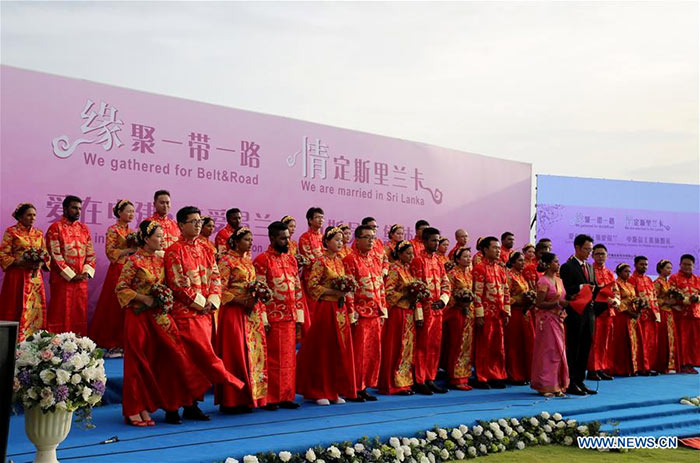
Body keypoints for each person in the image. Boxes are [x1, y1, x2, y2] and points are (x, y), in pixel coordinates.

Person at [116, 220, 210, 426]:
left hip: (158, 317)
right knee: (137, 362)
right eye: (158, 236)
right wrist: (143, 298)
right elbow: (121, 288)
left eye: (163, 236)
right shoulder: (134, 261)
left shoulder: (162, 260)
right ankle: (134, 409)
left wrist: (182, 282)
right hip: (138, 317)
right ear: (146, 238)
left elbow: (171, 282)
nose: (162, 239)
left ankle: (150, 405)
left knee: (157, 361)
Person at [164, 206, 243, 423]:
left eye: (200, 221)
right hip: (184, 315)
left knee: (198, 363)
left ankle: (192, 405)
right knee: (182, 363)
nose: (198, 224)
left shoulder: (208, 249)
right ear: (181, 225)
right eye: (193, 221)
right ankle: (173, 407)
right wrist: (201, 304)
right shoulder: (173, 251)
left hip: (206, 316)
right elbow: (178, 285)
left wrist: (213, 301)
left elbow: (216, 277)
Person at [296, 226, 357, 405]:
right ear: (326, 242)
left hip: (340, 309)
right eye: (336, 240)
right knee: (324, 349)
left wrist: (344, 294)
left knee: (339, 349)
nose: (340, 243)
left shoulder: (340, 261)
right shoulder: (320, 261)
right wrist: (333, 291)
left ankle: (334, 389)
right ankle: (319, 390)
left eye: (341, 240)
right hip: (326, 310)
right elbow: (312, 286)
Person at [216, 227, 270, 413]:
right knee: (234, 355)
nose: (250, 243)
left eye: (251, 239)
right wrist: (240, 300)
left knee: (252, 355)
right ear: (236, 242)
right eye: (246, 239)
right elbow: (219, 288)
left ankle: (250, 397)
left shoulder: (247, 261)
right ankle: (232, 400)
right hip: (233, 311)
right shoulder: (225, 261)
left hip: (250, 312)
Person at [253, 221, 306, 409]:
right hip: (272, 318)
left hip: (290, 318)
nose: (286, 241)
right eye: (283, 238)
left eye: (288, 238)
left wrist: (299, 318)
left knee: (289, 359)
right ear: (272, 238)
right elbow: (259, 293)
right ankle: (270, 397)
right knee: (273, 359)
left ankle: (286, 396)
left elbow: (298, 289)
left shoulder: (291, 260)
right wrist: (264, 319)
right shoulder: (261, 260)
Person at [343, 224, 387, 401]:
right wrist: (352, 312)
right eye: (367, 237)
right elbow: (349, 290)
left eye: (373, 237)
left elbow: (381, 287)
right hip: (360, 314)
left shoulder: (375, 260)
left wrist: (383, 311)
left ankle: (365, 386)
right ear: (357, 239)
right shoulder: (350, 260)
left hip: (375, 313)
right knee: (359, 353)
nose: (371, 241)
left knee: (372, 353)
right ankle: (354, 387)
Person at [90, 199, 136, 357]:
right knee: (114, 306)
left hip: (131, 269)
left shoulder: (132, 232)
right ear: (119, 212)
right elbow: (111, 253)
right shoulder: (113, 230)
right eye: (128, 211)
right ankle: (112, 342)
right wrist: (128, 249)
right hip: (117, 269)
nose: (131, 214)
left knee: (128, 306)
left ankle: (125, 341)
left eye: (132, 212)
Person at [46, 195, 96, 336]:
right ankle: (55, 348)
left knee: (78, 314)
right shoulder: (55, 228)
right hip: (62, 280)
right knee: (60, 313)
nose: (78, 211)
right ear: (65, 208)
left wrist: (86, 272)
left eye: (80, 208)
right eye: (74, 208)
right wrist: (71, 275)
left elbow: (91, 254)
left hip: (81, 281)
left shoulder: (84, 229)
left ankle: (78, 348)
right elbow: (55, 255)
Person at [0, 203, 49, 341]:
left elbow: (46, 254)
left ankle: (34, 341)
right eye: (29, 215)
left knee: (35, 308)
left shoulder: (38, 233)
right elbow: (3, 254)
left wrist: (42, 262)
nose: (32, 218)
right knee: (14, 306)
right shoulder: (11, 232)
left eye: (34, 215)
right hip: (17, 276)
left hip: (34, 278)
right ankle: (11, 342)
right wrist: (20, 261)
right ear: (20, 217)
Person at [410, 227, 451, 394]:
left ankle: (430, 377)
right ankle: (419, 379)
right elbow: (415, 289)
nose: (436, 243)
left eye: (438, 240)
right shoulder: (418, 261)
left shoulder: (439, 261)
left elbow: (446, 284)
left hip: (437, 310)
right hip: (425, 311)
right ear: (425, 241)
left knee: (434, 345)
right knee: (422, 345)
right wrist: (418, 313)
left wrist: (443, 300)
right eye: (433, 240)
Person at [378, 241, 420, 395]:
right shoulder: (394, 269)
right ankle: (391, 384)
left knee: (406, 348)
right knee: (395, 348)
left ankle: (403, 382)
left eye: (412, 253)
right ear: (400, 253)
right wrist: (405, 294)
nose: (411, 256)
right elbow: (388, 292)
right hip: (397, 313)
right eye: (408, 253)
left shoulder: (407, 270)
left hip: (408, 313)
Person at [559, 234, 597, 396]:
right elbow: (566, 289)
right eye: (587, 249)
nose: (589, 252)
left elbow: (593, 287)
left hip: (589, 313)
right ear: (577, 248)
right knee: (574, 348)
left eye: (591, 249)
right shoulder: (567, 266)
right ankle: (571, 381)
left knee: (585, 347)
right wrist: (583, 286)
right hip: (575, 313)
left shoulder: (590, 267)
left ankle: (581, 380)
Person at [472, 236, 510, 389]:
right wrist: (479, 314)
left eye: (498, 248)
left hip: (498, 314)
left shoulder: (500, 269)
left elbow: (506, 291)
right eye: (494, 248)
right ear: (485, 249)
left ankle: (497, 375)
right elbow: (477, 293)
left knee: (498, 347)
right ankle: (482, 376)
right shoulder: (479, 268)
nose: (497, 251)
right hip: (486, 314)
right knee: (484, 346)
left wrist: (507, 311)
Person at [530, 252, 569, 397]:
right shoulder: (543, 281)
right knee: (548, 352)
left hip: (559, 319)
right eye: (555, 261)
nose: (558, 264)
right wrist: (557, 303)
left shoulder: (559, 281)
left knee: (559, 351)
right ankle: (545, 385)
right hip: (546, 320)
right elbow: (539, 303)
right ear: (547, 264)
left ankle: (558, 384)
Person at [443, 247, 475, 390]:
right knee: (456, 344)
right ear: (457, 259)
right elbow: (447, 293)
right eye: (465, 256)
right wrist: (458, 302)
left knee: (467, 345)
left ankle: (464, 376)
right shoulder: (452, 274)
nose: (468, 259)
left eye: (469, 256)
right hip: (456, 313)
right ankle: (455, 377)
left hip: (469, 312)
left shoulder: (470, 274)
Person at [586, 244, 618, 380]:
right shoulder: (589, 270)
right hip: (595, 311)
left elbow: (616, 290)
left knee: (605, 341)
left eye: (603, 254)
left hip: (608, 311)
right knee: (595, 341)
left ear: (607, 256)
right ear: (592, 256)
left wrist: (615, 299)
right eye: (597, 254)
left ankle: (602, 367)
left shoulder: (610, 273)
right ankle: (593, 369)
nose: (600, 256)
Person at [504, 251, 535, 385]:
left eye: (524, 261)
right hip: (514, 314)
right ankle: (515, 375)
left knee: (527, 343)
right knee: (514, 345)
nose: (523, 263)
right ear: (513, 262)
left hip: (525, 314)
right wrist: (518, 300)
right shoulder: (509, 276)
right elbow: (505, 297)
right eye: (520, 261)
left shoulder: (521, 276)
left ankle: (526, 373)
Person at [628, 256, 661, 376]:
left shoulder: (648, 279)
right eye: (642, 264)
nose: (644, 267)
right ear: (635, 265)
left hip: (651, 316)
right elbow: (631, 298)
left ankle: (649, 367)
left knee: (650, 343)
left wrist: (657, 313)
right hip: (639, 316)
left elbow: (654, 298)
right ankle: (641, 367)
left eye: (646, 264)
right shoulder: (632, 279)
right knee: (640, 343)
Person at [609, 263, 644, 376]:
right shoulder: (616, 284)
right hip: (621, 316)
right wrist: (629, 312)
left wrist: (638, 307)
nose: (628, 274)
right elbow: (617, 301)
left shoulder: (630, 285)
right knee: (621, 342)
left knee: (633, 341)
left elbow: (633, 298)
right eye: (625, 271)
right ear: (619, 272)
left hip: (631, 316)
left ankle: (632, 368)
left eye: (629, 271)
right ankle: (620, 369)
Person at [668, 254, 699, 374]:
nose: (687, 267)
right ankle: (682, 364)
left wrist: (697, 298)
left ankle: (691, 363)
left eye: (689, 265)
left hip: (695, 314)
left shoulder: (698, 279)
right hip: (680, 315)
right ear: (680, 265)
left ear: (693, 266)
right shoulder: (674, 278)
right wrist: (682, 300)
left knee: (694, 341)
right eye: (684, 264)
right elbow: (670, 296)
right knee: (682, 340)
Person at [654, 259, 679, 374]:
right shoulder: (658, 282)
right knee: (664, 339)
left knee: (671, 338)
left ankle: (670, 364)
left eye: (670, 268)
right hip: (662, 312)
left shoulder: (668, 283)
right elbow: (654, 299)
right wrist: (665, 301)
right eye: (667, 268)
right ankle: (662, 365)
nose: (669, 270)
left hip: (669, 313)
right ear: (660, 269)